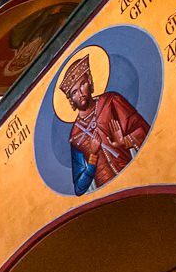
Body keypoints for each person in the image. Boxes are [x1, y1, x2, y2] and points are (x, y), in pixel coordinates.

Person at [58, 53, 149, 193]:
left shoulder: (111, 102)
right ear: (71, 100)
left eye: (82, 84)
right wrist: (93, 156)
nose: (80, 93)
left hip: (136, 178)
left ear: (90, 81)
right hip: (108, 196)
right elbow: (79, 187)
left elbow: (144, 131)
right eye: (74, 92)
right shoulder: (75, 136)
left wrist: (124, 142)